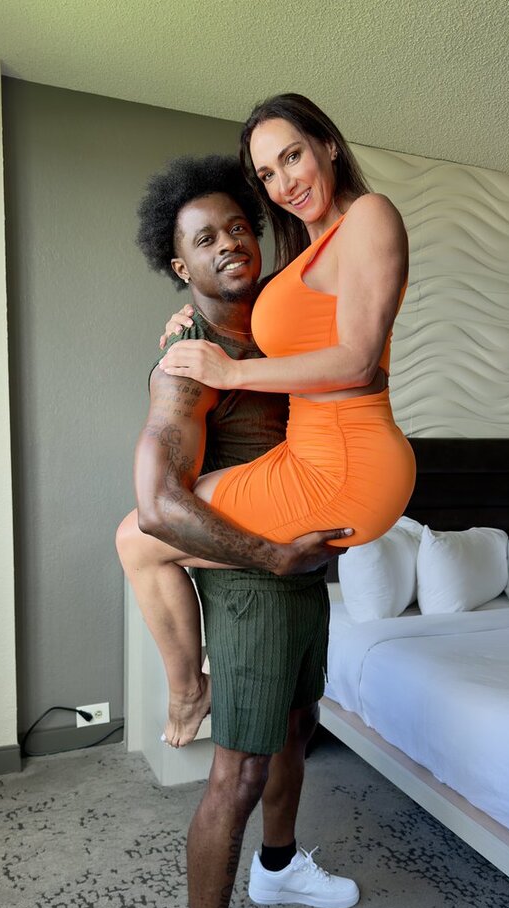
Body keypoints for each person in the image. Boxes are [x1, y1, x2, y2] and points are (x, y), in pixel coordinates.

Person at [116, 153, 360, 908]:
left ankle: (280, 867)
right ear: (178, 263)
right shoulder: (185, 364)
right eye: (203, 239)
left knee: (298, 727)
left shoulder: (281, 323)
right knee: (239, 773)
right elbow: (158, 505)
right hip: (254, 575)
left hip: (301, 567)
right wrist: (270, 555)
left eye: (236, 227)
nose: (228, 245)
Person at [135, 93, 416, 753]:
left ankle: (187, 691)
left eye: (292, 156)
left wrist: (229, 372)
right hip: (315, 455)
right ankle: (197, 690)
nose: (284, 182)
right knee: (158, 524)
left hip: (345, 465)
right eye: (267, 173)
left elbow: (356, 364)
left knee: (140, 538)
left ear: (329, 146)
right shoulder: (314, 246)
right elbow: (294, 333)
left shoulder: (370, 215)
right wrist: (193, 320)